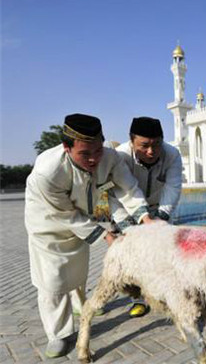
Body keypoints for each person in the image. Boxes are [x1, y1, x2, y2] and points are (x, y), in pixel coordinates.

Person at [25, 113, 160, 358]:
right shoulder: (48, 171)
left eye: (97, 151)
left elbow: (128, 187)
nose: (93, 159)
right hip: (49, 223)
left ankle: (81, 305)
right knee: (53, 280)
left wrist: (145, 220)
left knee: (77, 268)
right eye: (85, 154)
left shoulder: (109, 157)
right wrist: (107, 237)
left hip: (83, 217)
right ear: (67, 147)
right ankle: (59, 334)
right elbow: (65, 215)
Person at [108, 116, 183, 317]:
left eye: (156, 145)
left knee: (164, 256)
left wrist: (160, 219)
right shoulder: (120, 156)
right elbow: (119, 193)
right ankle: (138, 299)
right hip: (127, 208)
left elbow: (173, 186)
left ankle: (164, 296)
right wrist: (128, 226)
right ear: (132, 141)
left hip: (158, 210)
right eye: (144, 145)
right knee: (132, 259)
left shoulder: (172, 154)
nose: (151, 151)